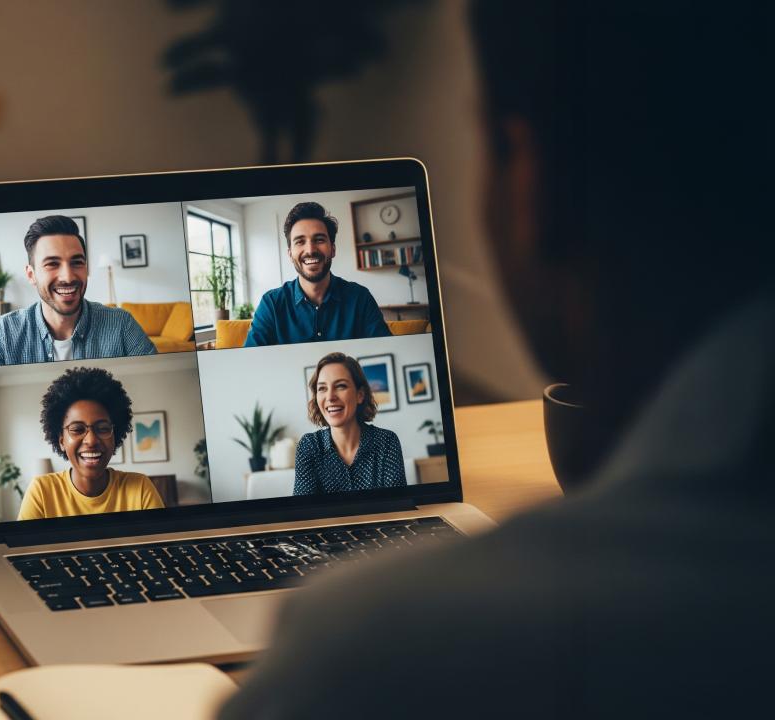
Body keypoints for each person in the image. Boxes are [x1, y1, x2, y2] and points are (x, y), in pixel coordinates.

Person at [219, 2, 773, 717]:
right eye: (299, 244)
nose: (310, 251)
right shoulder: (273, 316)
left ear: (529, 182)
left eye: (319, 240)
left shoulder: (380, 650)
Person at [0, 215, 156, 367]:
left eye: (77, 262)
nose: (67, 277)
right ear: (31, 274)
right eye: (52, 264)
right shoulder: (4, 332)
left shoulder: (122, 324)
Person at [18, 367, 165, 520]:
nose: (91, 440)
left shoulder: (140, 488)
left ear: (115, 436)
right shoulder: (41, 492)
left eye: (102, 428)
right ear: (61, 440)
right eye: (77, 429)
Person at [244, 201, 391, 346]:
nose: (310, 250)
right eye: (300, 241)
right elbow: (251, 362)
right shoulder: (271, 304)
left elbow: (386, 353)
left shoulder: (360, 298)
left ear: (333, 249)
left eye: (319, 239)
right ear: (290, 254)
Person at [294, 352, 406, 494]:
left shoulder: (386, 441)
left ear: (360, 395)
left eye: (340, 386)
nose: (330, 397)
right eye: (322, 388)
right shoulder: (309, 446)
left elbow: (397, 505)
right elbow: (305, 511)